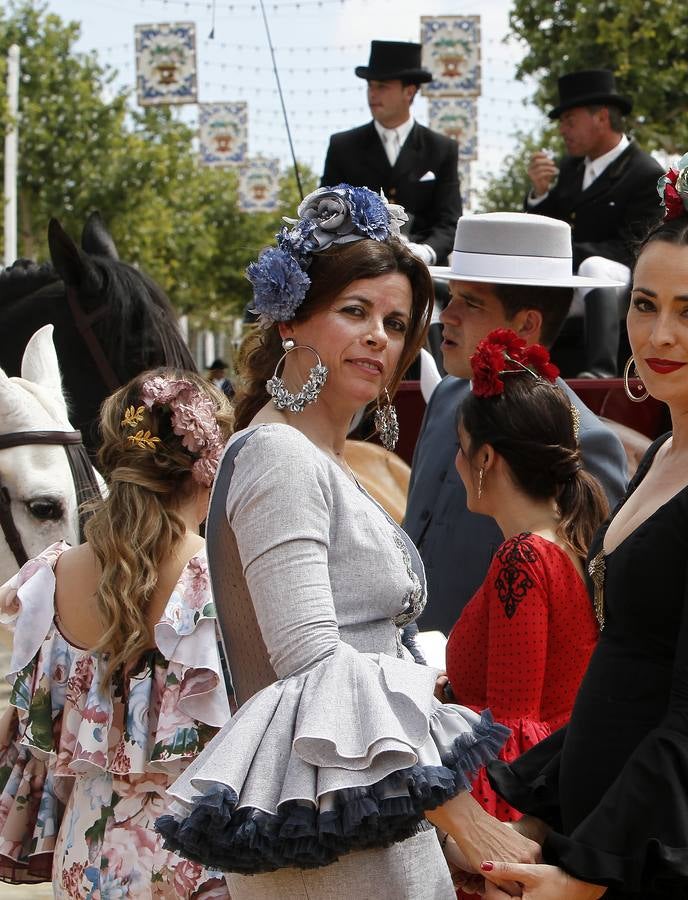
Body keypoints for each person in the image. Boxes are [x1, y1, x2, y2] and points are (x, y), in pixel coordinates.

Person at [154, 185, 539, 898]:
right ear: (291, 321)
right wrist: (464, 821)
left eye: (396, 323)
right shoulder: (279, 456)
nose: (379, 338)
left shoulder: (314, 456)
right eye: (354, 311)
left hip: (368, 814)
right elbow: (316, 666)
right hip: (334, 843)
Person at [473, 151, 688, 899]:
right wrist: (540, 816)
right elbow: (628, 670)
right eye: (643, 302)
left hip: (682, 845)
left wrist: (584, 876)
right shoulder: (671, 446)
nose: (657, 333)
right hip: (619, 826)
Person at [0, 369, 234, 896]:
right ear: (207, 467)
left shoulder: (52, 578)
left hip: (85, 855)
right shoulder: (218, 576)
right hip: (195, 858)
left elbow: (34, 738)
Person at [403, 212, 628, 636]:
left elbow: (584, 615)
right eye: (451, 297)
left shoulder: (583, 440)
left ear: (526, 325)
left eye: (471, 302)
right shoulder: (448, 398)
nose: (446, 315)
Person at [443, 330, 607, 831]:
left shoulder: (523, 556)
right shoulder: (568, 542)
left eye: (461, 448)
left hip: (522, 817)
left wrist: (490, 848)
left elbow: (514, 735)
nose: (456, 462)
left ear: (485, 459)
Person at [526, 69, 664, 376]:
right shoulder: (571, 169)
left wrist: (573, 255)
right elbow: (549, 229)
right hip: (572, 282)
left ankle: (601, 369)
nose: (562, 130)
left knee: (595, 269)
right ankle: (523, 366)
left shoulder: (645, 172)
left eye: (569, 121)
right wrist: (539, 193)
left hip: (622, 281)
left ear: (601, 117)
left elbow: (635, 248)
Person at [321, 40, 461, 267]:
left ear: (409, 91)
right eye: (370, 86)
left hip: (424, 274)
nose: (373, 94)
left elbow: (449, 222)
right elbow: (326, 213)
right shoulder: (343, 146)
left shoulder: (442, 148)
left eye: (382, 86)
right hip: (358, 268)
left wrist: (425, 252)